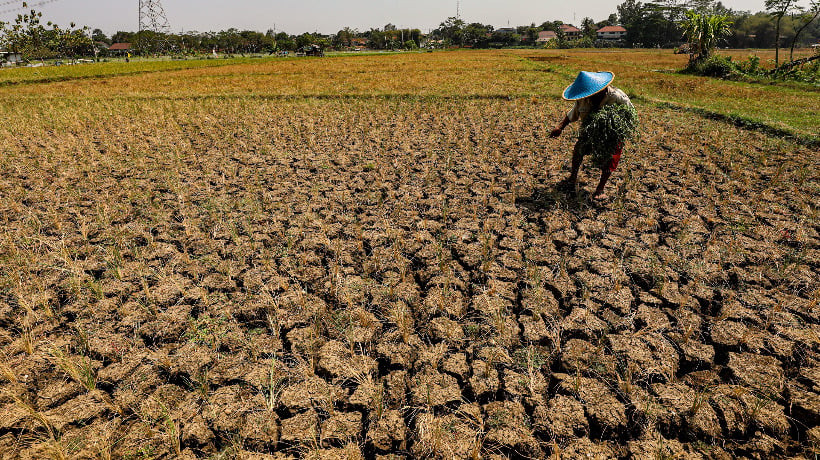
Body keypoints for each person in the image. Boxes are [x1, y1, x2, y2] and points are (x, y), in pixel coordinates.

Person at [549, 71, 634, 201]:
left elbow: (630, 116)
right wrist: (560, 127)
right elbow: (573, 113)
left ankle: (600, 188)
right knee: (579, 150)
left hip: (612, 135)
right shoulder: (583, 99)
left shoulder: (618, 97)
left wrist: (616, 129)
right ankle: (572, 179)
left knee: (610, 159)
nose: (590, 97)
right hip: (589, 132)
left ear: (602, 89)